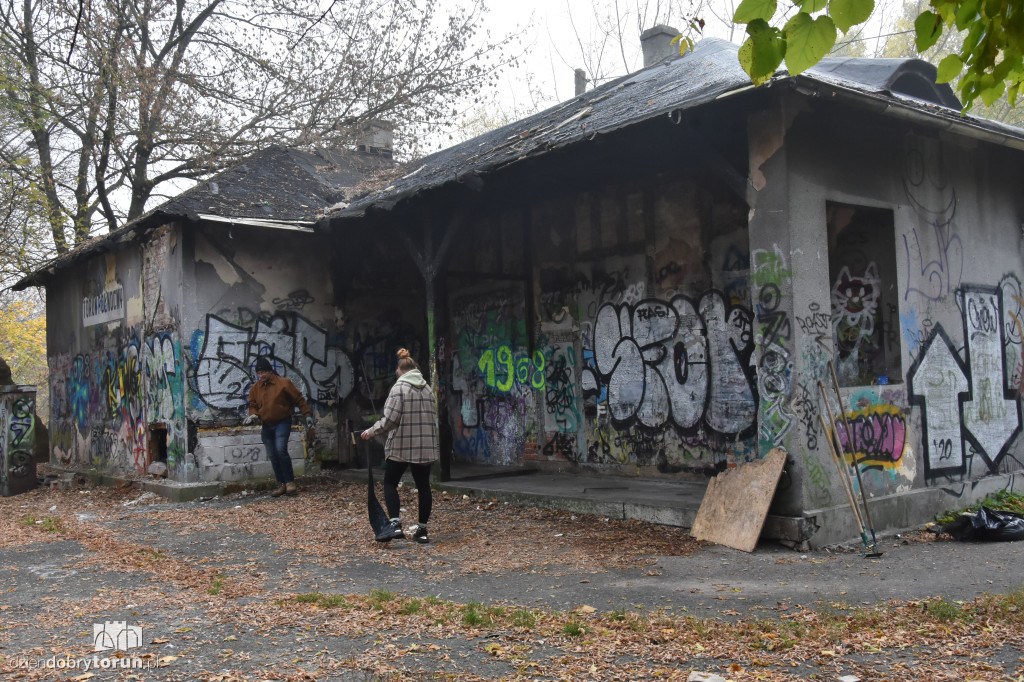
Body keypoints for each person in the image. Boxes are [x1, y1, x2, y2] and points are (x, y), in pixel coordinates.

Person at [361, 348, 438, 543]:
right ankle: (422, 531)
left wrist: (371, 431)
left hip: (401, 446)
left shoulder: (399, 388)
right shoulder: (428, 389)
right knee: (423, 486)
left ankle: (395, 524)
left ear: (400, 370)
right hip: (425, 447)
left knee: (390, 482)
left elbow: (390, 421)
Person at [243, 356, 314, 497]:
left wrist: (307, 415)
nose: (261, 375)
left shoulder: (283, 384)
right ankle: (281, 484)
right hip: (266, 425)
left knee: (281, 450)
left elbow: (299, 399)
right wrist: (253, 415)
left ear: (270, 371)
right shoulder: (255, 389)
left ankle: (290, 482)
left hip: (282, 422)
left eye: (263, 372)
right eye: (258, 373)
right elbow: (253, 405)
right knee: (272, 454)